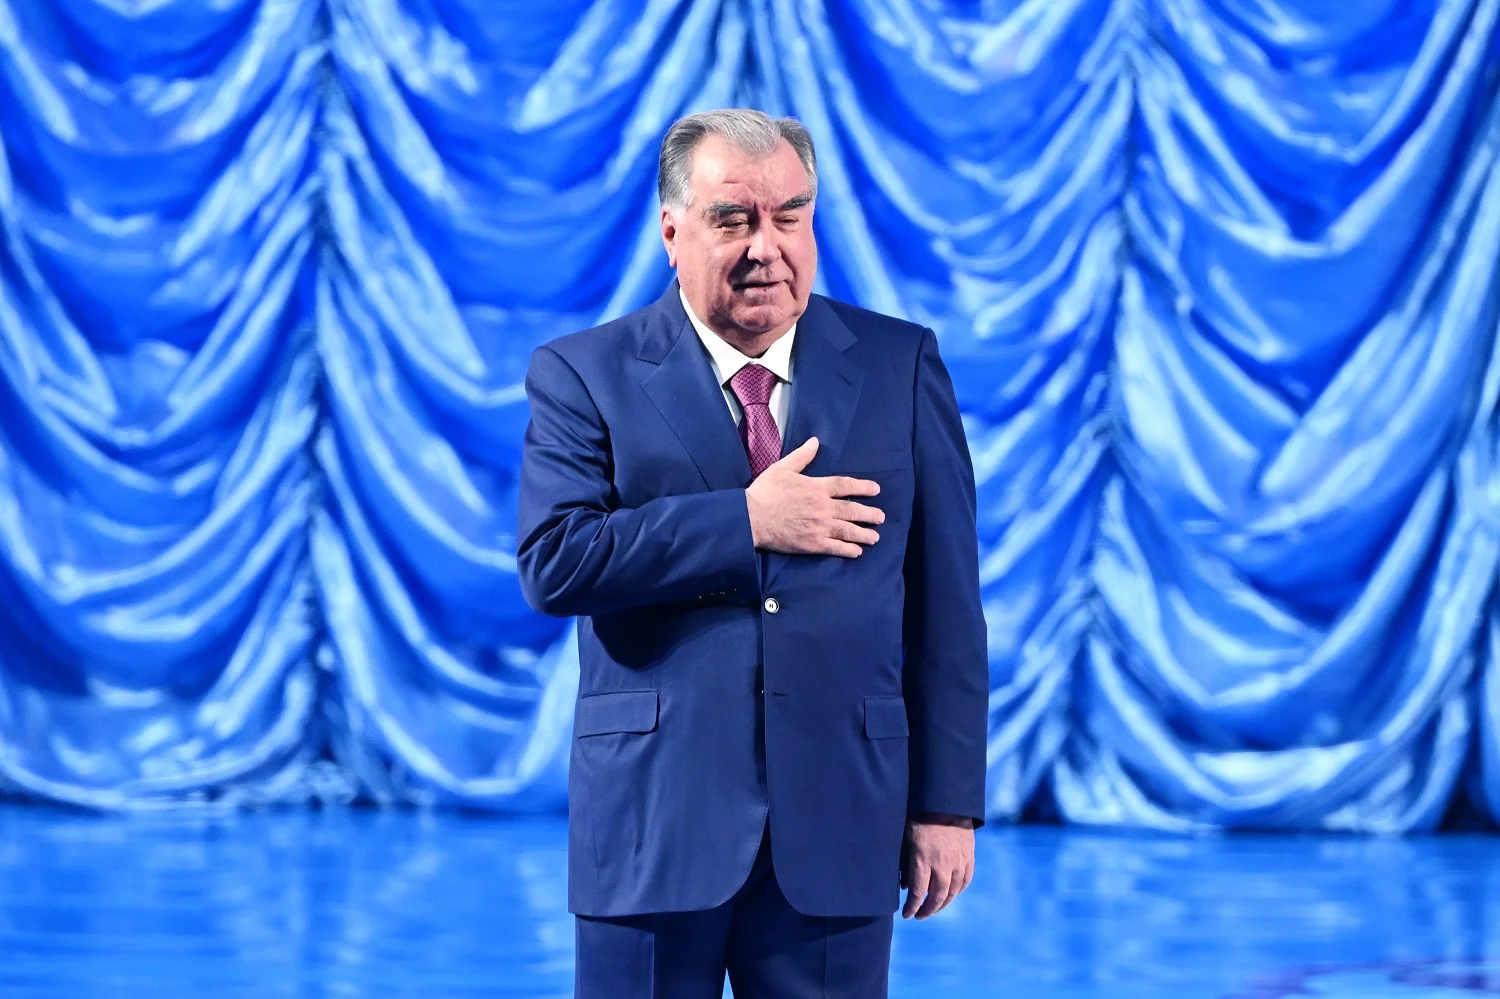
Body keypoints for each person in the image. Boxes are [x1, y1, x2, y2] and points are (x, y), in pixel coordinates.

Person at [516, 108, 987, 999]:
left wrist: (946, 802)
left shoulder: (899, 364)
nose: (765, 248)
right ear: (673, 232)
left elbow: (947, 604)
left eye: (789, 217)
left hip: (842, 815)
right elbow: (557, 559)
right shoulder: (584, 373)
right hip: (654, 819)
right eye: (733, 219)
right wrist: (746, 521)